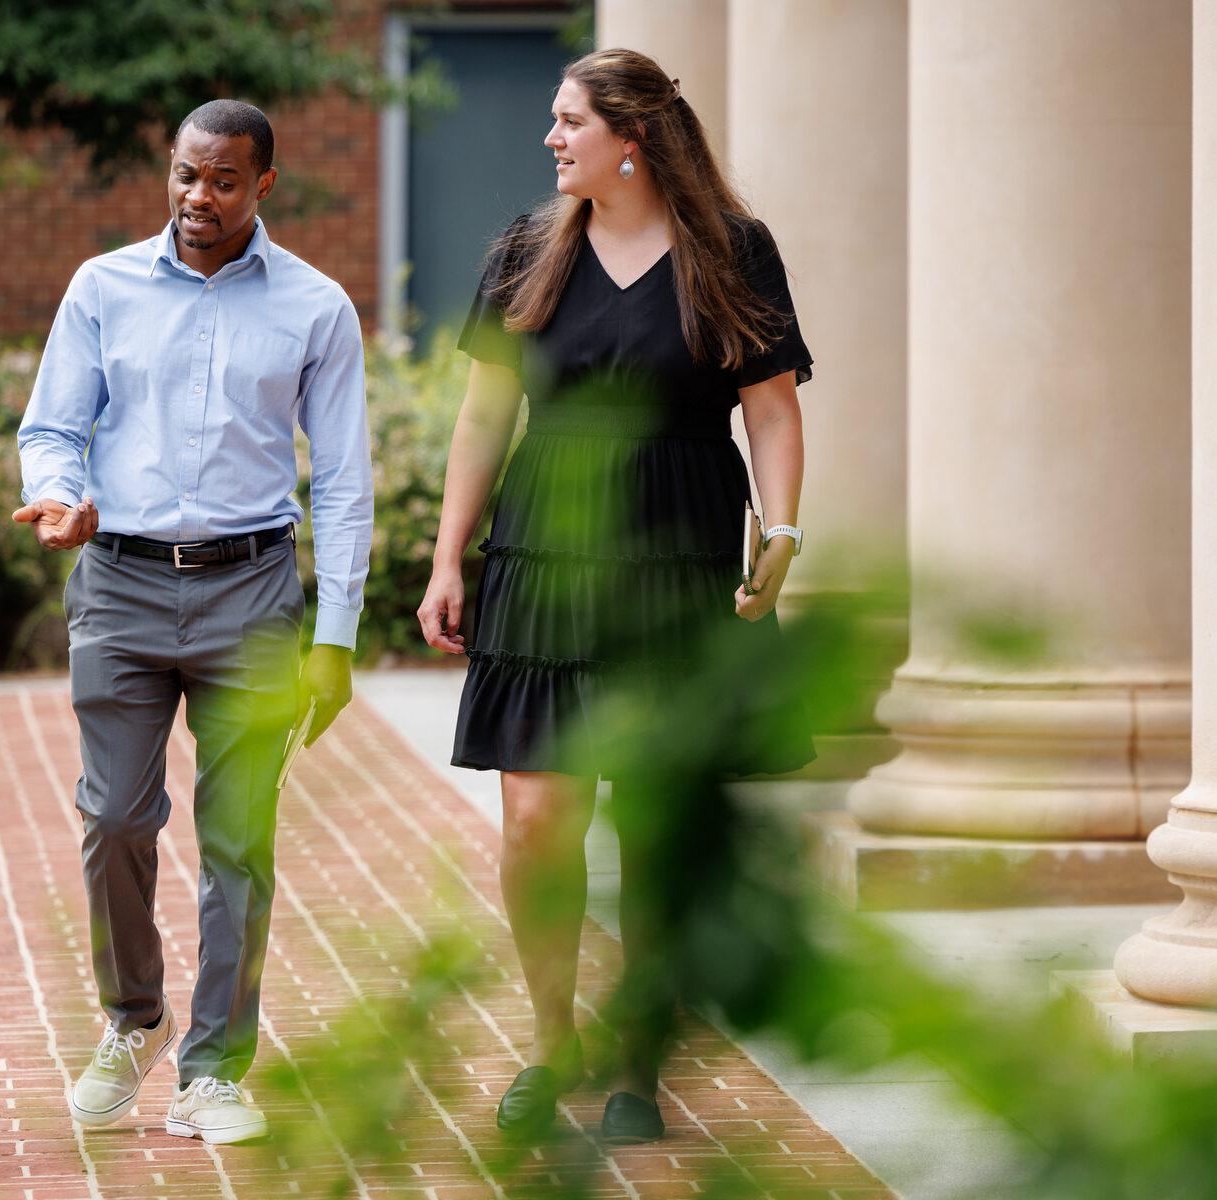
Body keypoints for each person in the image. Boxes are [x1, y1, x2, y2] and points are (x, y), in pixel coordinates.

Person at [415, 48, 814, 1145]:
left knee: (653, 824)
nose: (550, 139)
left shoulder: (731, 252)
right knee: (539, 816)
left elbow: (769, 408)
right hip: (545, 553)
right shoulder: (527, 251)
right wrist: (451, 559)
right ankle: (553, 1043)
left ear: (630, 136)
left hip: (680, 556)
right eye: (553, 120)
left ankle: (642, 1055)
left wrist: (780, 530)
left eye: (569, 121)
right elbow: (483, 417)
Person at [15, 99, 371, 1145]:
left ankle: (214, 1066)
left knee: (238, 841)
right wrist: (59, 492)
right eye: (183, 175)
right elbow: (52, 425)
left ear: (264, 184)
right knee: (115, 818)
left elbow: (344, 481)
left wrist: (338, 637)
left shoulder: (316, 306)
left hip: (252, 591)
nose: (196, 199)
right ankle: (135, 1019)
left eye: (221, 181)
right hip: (119, 583)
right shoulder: (103, 288)